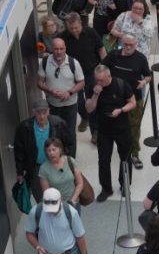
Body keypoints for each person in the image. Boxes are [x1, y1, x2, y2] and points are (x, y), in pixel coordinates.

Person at [102, 33, 152, 170]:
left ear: (136, 44)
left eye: (131, 44)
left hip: (135, 99)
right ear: (121, 43)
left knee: (134, 127)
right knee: (112, 125)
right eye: (126, 44)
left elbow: (148, 75)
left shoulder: (140, 58)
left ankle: (134, 154)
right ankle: (119, 150)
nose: (128, 47)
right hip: (114, 98)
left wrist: (144, 81)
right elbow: (102, 68)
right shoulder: (113, 55)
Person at [14, 100, 73, 204]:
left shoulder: (58, 123)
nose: (41, 116)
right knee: (42, 199)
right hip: (36, 168)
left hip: (55, 165)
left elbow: (69, 143)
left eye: (44, 112)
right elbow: (19, 151)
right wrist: (19, 171)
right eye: (38, 113)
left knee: (60, 195)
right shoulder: (25, 127)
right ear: (33, 112)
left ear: (48, 111)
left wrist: (66, 161)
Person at [60, 12, 106, 141]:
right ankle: (84, 116)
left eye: (76, 27)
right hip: (73, 75)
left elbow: (101, 50)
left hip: (91, 72)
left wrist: (105, 69)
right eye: (71, 28)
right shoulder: (63, 37)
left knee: (92, 99)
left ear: (81, 23)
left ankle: (95, 130)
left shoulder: (91, 33)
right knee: (78, 100)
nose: (74, 30)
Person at [37, 38, 84, 158]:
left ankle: (71, 160)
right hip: (52, 105)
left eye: (61, 49)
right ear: (52, 49)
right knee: (54, 133)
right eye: (56, 49)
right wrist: (50, 90)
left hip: (70, 106)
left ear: (65, 49)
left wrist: (69, 92)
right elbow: (39, 82)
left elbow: (81, 82)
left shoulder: (74, 63)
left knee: (70, 133)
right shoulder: (45, 62)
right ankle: (56, 158)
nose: (58, 51)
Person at [38, 139, 84, 210]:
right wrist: (59, 204)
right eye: (48, 150)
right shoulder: (43, 169)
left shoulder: (70, 161)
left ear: (60, 149)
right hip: (56, 207)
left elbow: (80, 183)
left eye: (54, 149)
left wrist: (73, 200)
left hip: (74, 203)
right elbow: (46, 192)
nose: (51, 153)